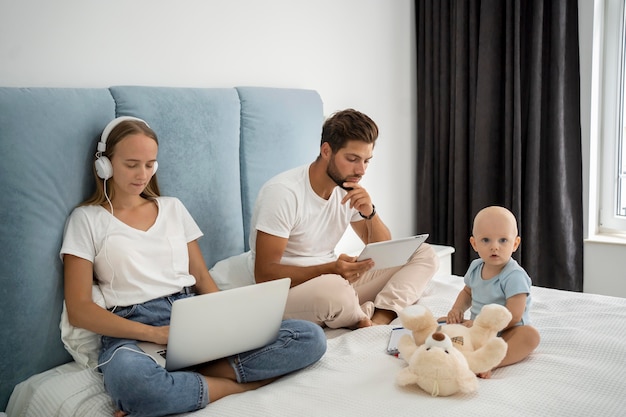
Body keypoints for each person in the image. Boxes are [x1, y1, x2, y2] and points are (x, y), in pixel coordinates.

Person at [60, 117, 326, 417]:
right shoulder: (86, 219)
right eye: (131, 164)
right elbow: (80, 308)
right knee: (134, 383)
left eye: (150, 164)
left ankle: (188, 380)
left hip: (190, 315)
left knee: (309, 337)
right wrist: (156, 335)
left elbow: (200, 277)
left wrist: (225, 325)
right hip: (131, 329)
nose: (142, 174)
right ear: (104, 165)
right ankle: (238, 385)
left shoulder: (172, 208)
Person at [212, 109, 439, 329]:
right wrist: (331, 269)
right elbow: (265, 274)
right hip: (283, 291)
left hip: (332, 280)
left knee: (424, 253)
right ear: (326, 150)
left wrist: (370, 212)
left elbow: (387, 252)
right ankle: (355, 311)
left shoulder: (346, 188)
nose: (361, 170)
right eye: (352, 159)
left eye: (367, 160)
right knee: (334, 292)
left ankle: (381, 315)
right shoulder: (283, 193)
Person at [443, 205, 540, 378]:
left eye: (503, 240)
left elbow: (514, 315)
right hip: (477, 329)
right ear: (474, 243)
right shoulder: (475, 267)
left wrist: (483, 326)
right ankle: (450, 351)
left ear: (515, 243)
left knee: (530, 336)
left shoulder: (514, 276)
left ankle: (491, 361)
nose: (494, 247)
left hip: (508, 330)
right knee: (443, 322)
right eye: (486, 240)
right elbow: (468, 292)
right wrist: (457, 309)